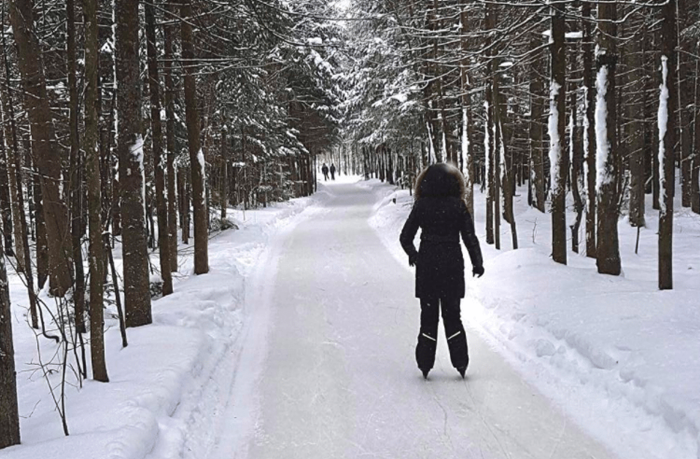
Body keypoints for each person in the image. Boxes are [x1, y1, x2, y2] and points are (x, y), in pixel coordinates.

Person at [399, 163, 484, 379]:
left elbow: (405, 237)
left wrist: (415, 256)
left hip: (427, 268)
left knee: (428, 317)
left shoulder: (421, 206)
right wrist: (477, 262)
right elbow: (469, 237)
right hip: (452, 267)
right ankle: (461, 362)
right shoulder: (458, 206)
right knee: (453, 316)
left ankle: (425, 364)